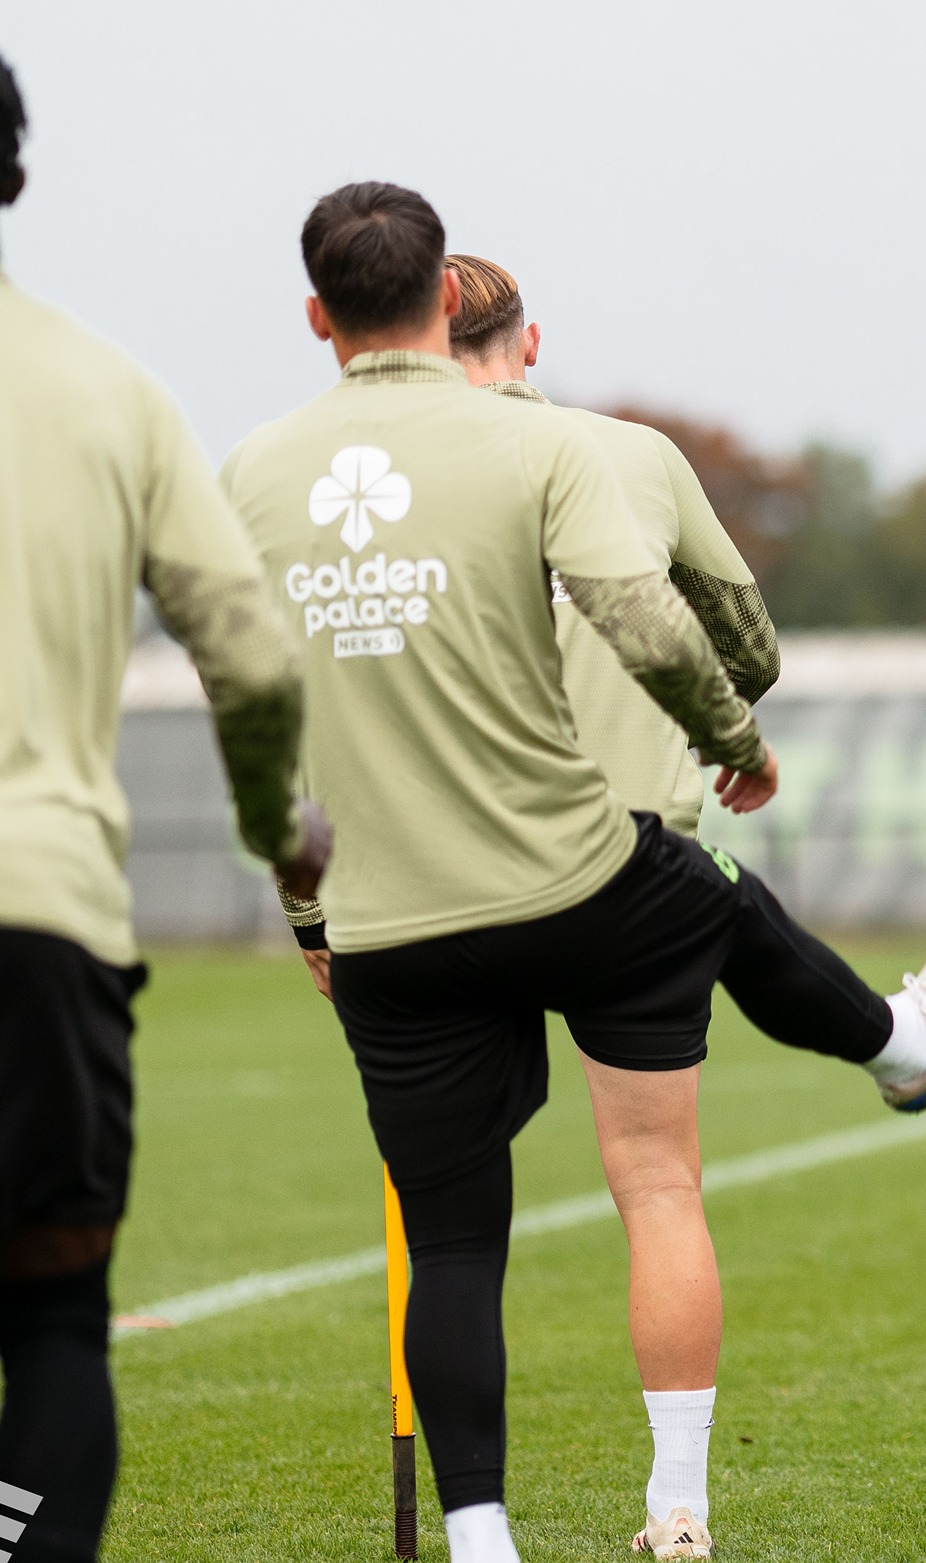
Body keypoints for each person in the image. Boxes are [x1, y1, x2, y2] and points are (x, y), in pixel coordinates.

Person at [220, 183, 926, 1563]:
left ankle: (481, 1542)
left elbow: (250, 714)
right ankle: (898, 1044)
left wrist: (306, 914)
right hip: (574, 875)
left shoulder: (253, 472)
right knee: (698, 956)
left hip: (392, 915)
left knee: (453, 1241)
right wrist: (732, 738)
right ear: (457, 308)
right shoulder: (560, 444)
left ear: (315, 314)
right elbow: (665, 617)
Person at [0, 54, 328, 1561]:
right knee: (57, 1316)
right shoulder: (107, 388)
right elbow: (252, 655)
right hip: (40, 915)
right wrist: (275, 825)